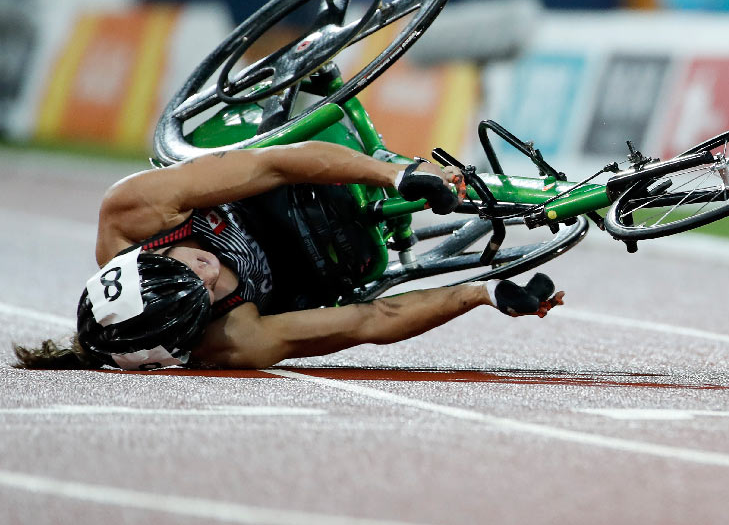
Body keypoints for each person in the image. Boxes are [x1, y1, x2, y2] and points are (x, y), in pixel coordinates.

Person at [12, 141, 565, 371]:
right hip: (308, 274)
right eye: (204, 295)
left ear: (143, 258)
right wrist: (482, 292)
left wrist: (395, 174)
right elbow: (368, 321)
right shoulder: (232, 341)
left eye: (187, 268)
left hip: (265, 193)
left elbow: (274, 164)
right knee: (353, 267)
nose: (209, 271)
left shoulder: (134, 212)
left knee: (280, 158)